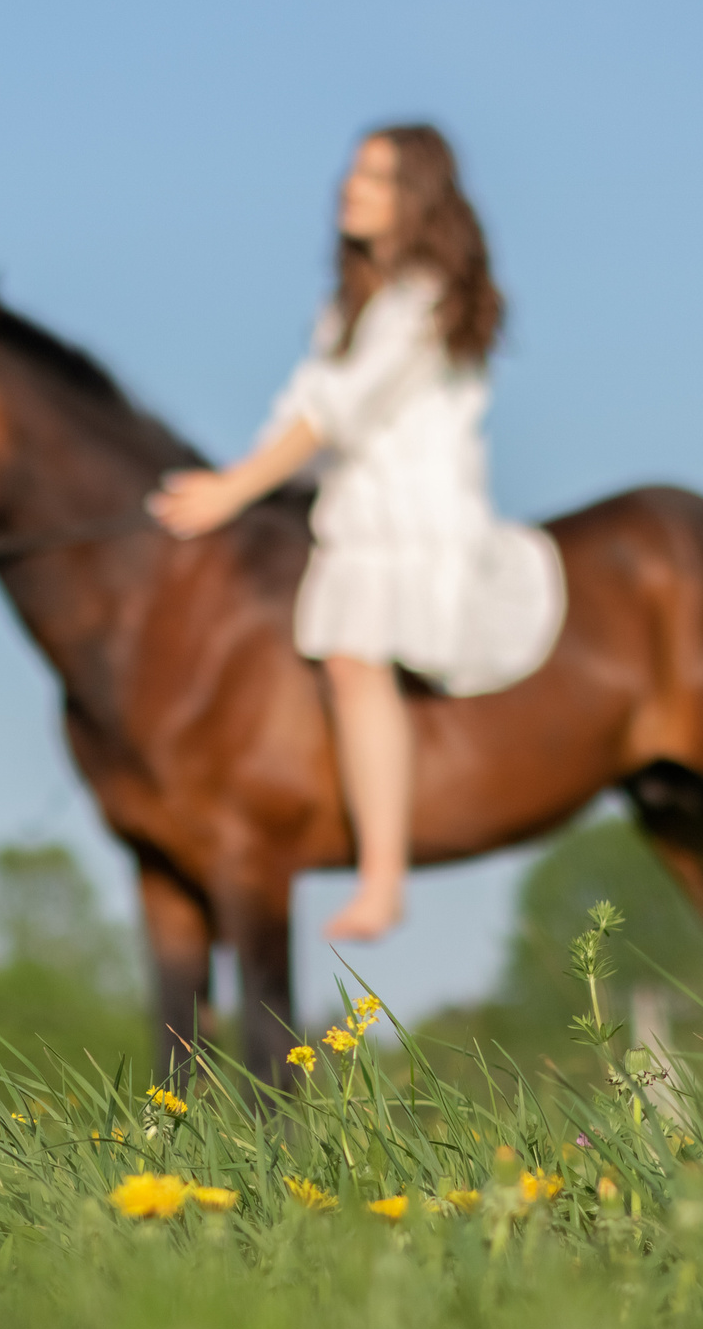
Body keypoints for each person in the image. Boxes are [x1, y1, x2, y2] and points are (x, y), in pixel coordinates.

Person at [147, 123, 518, 941]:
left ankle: (383, 877)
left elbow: (341, 411)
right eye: (355, 173)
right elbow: (302, 404)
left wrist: (235, 490)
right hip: (348, 507)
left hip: (409, 518)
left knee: (354, 658)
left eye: (378, 177)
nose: (352, 188)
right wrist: (240, 481)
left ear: (418, 195)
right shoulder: (349, 306)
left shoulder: (425, 296)